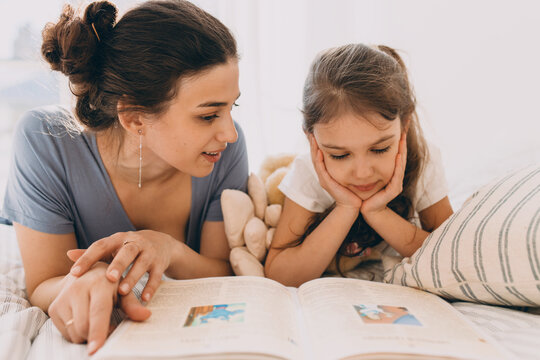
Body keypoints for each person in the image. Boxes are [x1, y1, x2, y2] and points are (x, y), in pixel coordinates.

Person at [0, 0, 247, 354]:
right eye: (208, 116)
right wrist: (92, 276)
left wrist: (168, 249)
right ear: (134, 118)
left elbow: (223, 269)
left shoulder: (224, 152)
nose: (230, 133)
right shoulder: (45, 141)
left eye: (231, 108)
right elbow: (42, 284)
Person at [264, 44, 454, 287]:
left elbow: (450, 257)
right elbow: (280, 274)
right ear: (312, 140)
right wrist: (345, 207)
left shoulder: (424, 160)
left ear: (404, 125)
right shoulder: (308, 172)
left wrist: (378, 213)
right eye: (340, 155)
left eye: (380, 149)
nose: (362, 173)